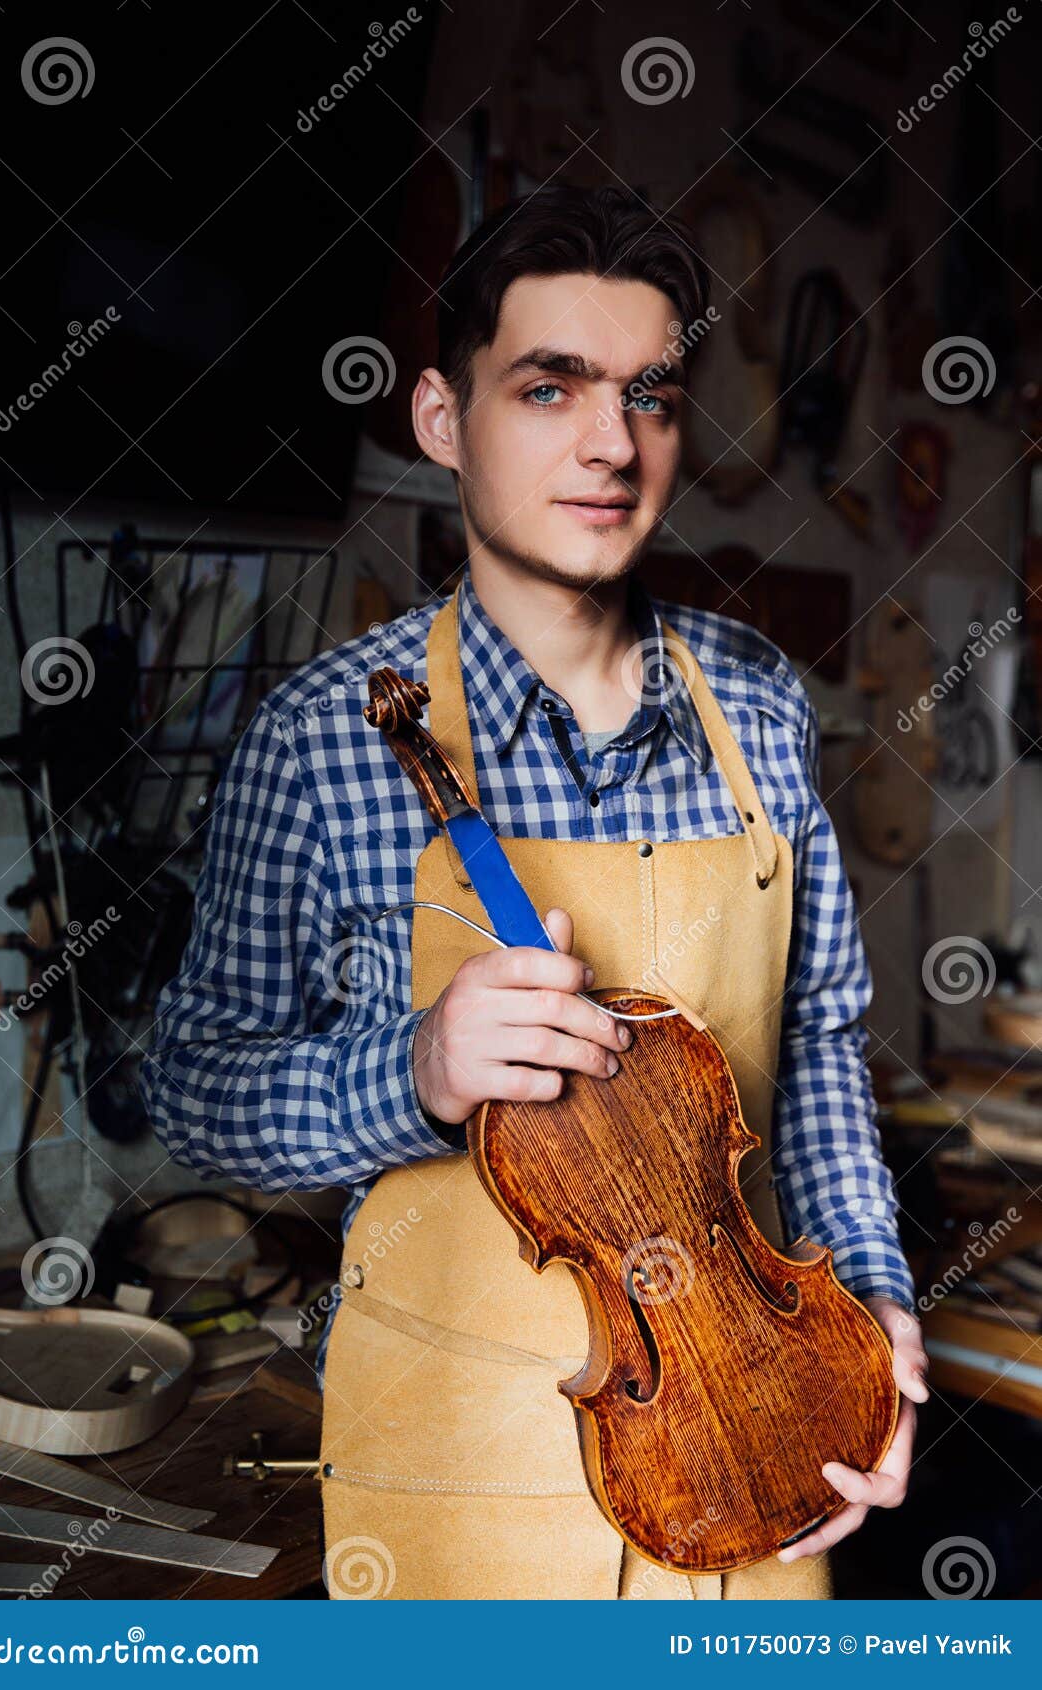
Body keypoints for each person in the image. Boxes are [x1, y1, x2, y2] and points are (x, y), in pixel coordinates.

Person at [141, 183, 928, 1601]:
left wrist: (869, 1310)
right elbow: (190, 1084)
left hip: (755, 1448)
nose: (611, 443)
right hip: (454, 1479)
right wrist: (418, 1068)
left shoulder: (759, 708)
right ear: (444, 419)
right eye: (550, 386)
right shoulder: (326, 738)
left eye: (650, 394)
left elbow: (815, 1045)